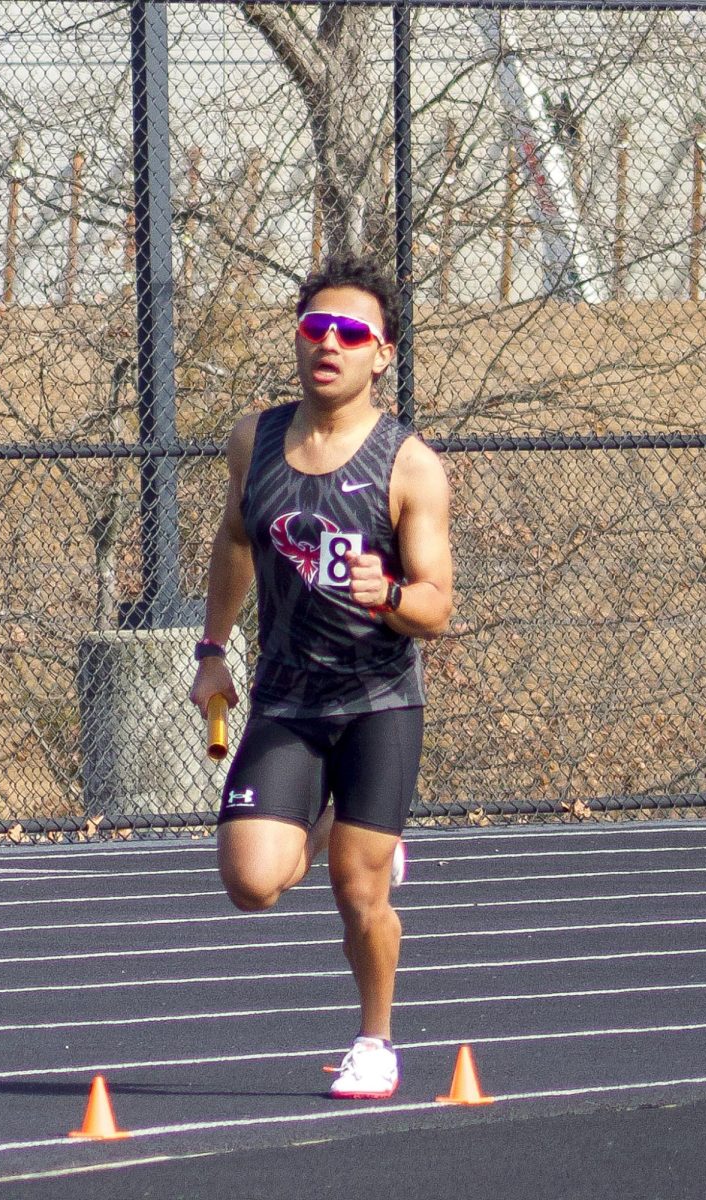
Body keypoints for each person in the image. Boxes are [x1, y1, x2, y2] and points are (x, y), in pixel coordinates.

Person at [189, 253, 453, 1100]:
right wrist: (211, 652)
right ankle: (333, 815)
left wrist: (392, 595)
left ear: (382, 354)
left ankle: (375, 1040)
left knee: (355, 886)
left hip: (377, 700)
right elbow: (235, 541)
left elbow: (437, 607)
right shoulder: (253, 439)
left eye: (350, 333)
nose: (327, 345)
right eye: (314, 329)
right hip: (287, 697)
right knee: (251, 883)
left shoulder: (408, 464)